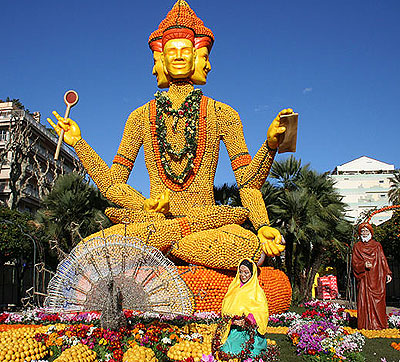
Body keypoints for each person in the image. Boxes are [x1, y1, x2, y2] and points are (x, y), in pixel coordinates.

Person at [47, 0, 293, 269]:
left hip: (207, 227)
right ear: (160, 59)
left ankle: (168, 244)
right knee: (89, 248)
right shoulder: (140, 117)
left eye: (185, 50)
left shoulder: (223, 114)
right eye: (171, 50)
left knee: (247, 245)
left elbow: (247, 183)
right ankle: (174, 240)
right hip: (157, 222)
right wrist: (79, 144)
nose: (177, 56)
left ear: (200, 57)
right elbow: (113, 186)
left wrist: (269, 150)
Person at [220, 258, 269, 358]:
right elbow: (226, 307)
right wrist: (233, 320)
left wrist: (247, 320)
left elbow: (261, 312)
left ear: (252, 273)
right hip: (234, 328)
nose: (243, 275)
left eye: (246, 272)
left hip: (250, 331)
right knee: (226, 352)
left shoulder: (257, 292)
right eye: (241, 272)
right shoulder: (234, 287)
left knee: (252, 354)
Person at [352, 222, 392, 330]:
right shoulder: (357, 247)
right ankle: (365, 325)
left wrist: (387, 272)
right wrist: (363, 265)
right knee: (364, 302)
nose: (364, 233)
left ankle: (379, 325)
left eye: (366, 231)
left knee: (378, 302)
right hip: (364, 279)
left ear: (370, 232)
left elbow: (383, 259)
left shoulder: (377, 246)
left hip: (377, 278)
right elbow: (354, 263)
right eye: (362, 231)